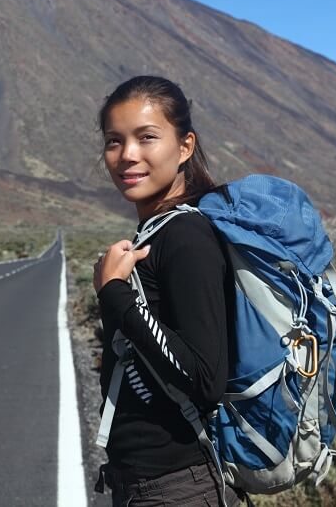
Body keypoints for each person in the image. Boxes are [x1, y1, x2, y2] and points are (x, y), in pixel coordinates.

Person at [92, 76, 241, 506]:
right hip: (144, 485)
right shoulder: (155, 233)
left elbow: (204, 379)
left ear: (185, 147)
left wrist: (115, 293)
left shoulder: (186, 236)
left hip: (177, 488)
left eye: (147, 137)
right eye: (114, 141)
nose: (127, 156)